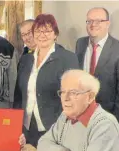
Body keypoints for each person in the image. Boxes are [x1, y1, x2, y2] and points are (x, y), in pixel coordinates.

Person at [14, 14, 79, 147]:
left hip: (54, 127)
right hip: (26, 128)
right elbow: (18, 95)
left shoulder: (67, 58)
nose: (42, 35)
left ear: (55, 34)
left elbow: (74, 97)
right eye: (38, 31)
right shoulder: (26, 60)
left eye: (47, 31)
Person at [75, 7, 119, 131]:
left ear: (107, 24)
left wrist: (116, 127)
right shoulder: (80, 44)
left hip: (107, 121)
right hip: (80, 118)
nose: (93, 25)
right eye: (89, 21)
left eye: (98, 21)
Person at [37, 70, 119, 151]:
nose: (65, 98)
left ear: (90, 97)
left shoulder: (104, 125)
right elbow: (43, 143)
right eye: (63, 92)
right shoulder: (65, 116)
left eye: (73, 93)